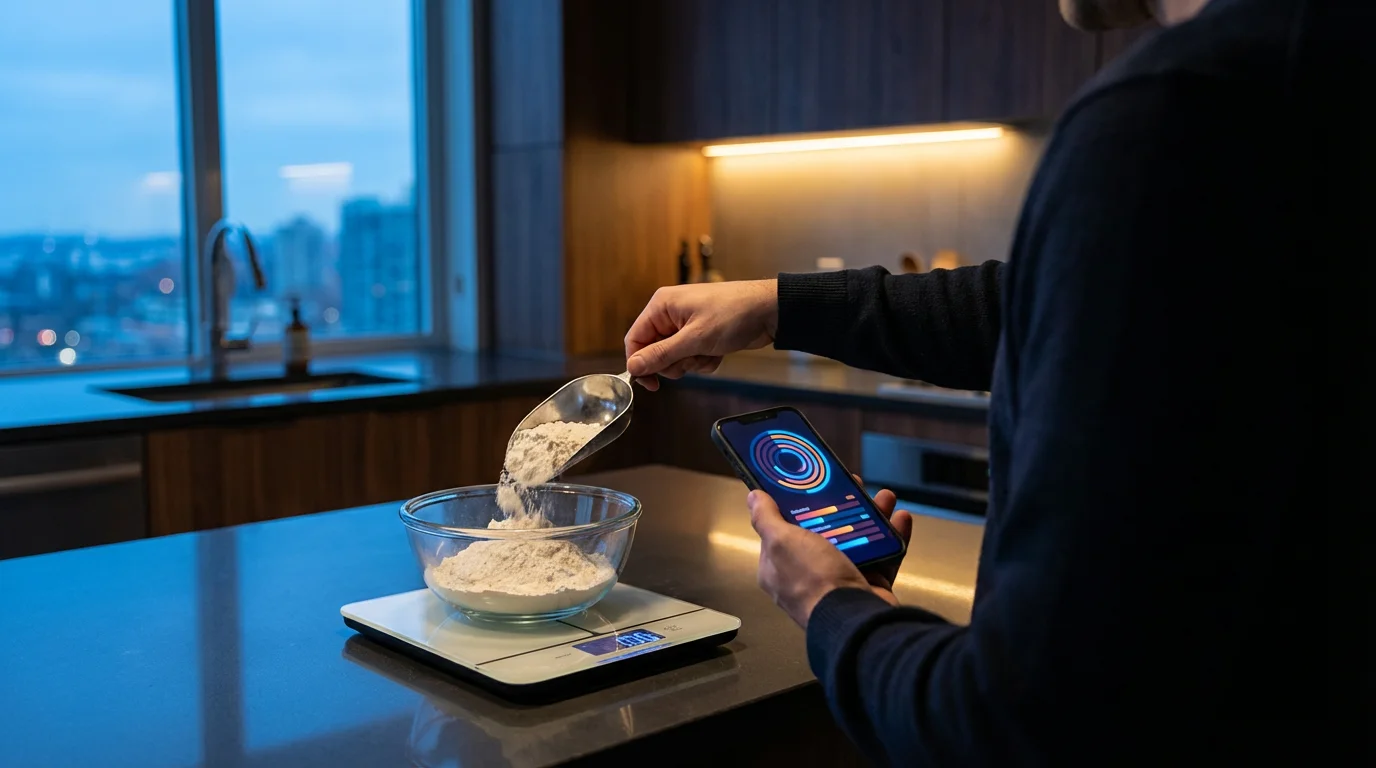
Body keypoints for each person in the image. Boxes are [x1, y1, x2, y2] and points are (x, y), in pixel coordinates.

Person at [624, 0, 1357, 763]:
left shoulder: (1175, 114)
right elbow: (1039, 303)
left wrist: (834, 610)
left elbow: (1023, 719)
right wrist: (775, 306)